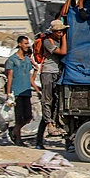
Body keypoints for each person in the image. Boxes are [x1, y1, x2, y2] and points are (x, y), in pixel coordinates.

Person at [36, 19, 69, 150]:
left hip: (57, 73)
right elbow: (63, 52)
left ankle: (50, 125)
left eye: (62, 32)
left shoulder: (57, 40)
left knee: (56, 101)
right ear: (53, 32)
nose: (61, 34)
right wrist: (64, 38)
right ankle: (49, 125)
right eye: (59, 32)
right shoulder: (47, 42)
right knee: (47, 100)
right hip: (48, 72)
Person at [5, 36, 40, 146]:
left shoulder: (27, 60)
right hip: (17, 92)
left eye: (27, 43)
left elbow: (30, 78)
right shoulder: (12, 60)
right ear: (19, 44)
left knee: (28, 117)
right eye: (25, 43)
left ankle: (14, 130)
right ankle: (18, 139)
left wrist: (37, 89)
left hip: (26, 91)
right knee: (19, 117)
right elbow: (10, 77)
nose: (27, 46)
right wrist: (8, 93)